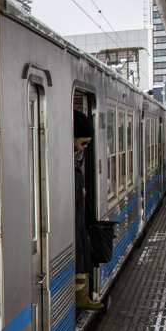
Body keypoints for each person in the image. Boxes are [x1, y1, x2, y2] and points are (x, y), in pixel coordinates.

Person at [73, 110, 103, 311]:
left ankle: (82, 296)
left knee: (83, 252)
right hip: (72, 218)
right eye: (82, 142)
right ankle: (78, 297)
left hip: (79, 216)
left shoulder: (76, 157)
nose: (84, 147)